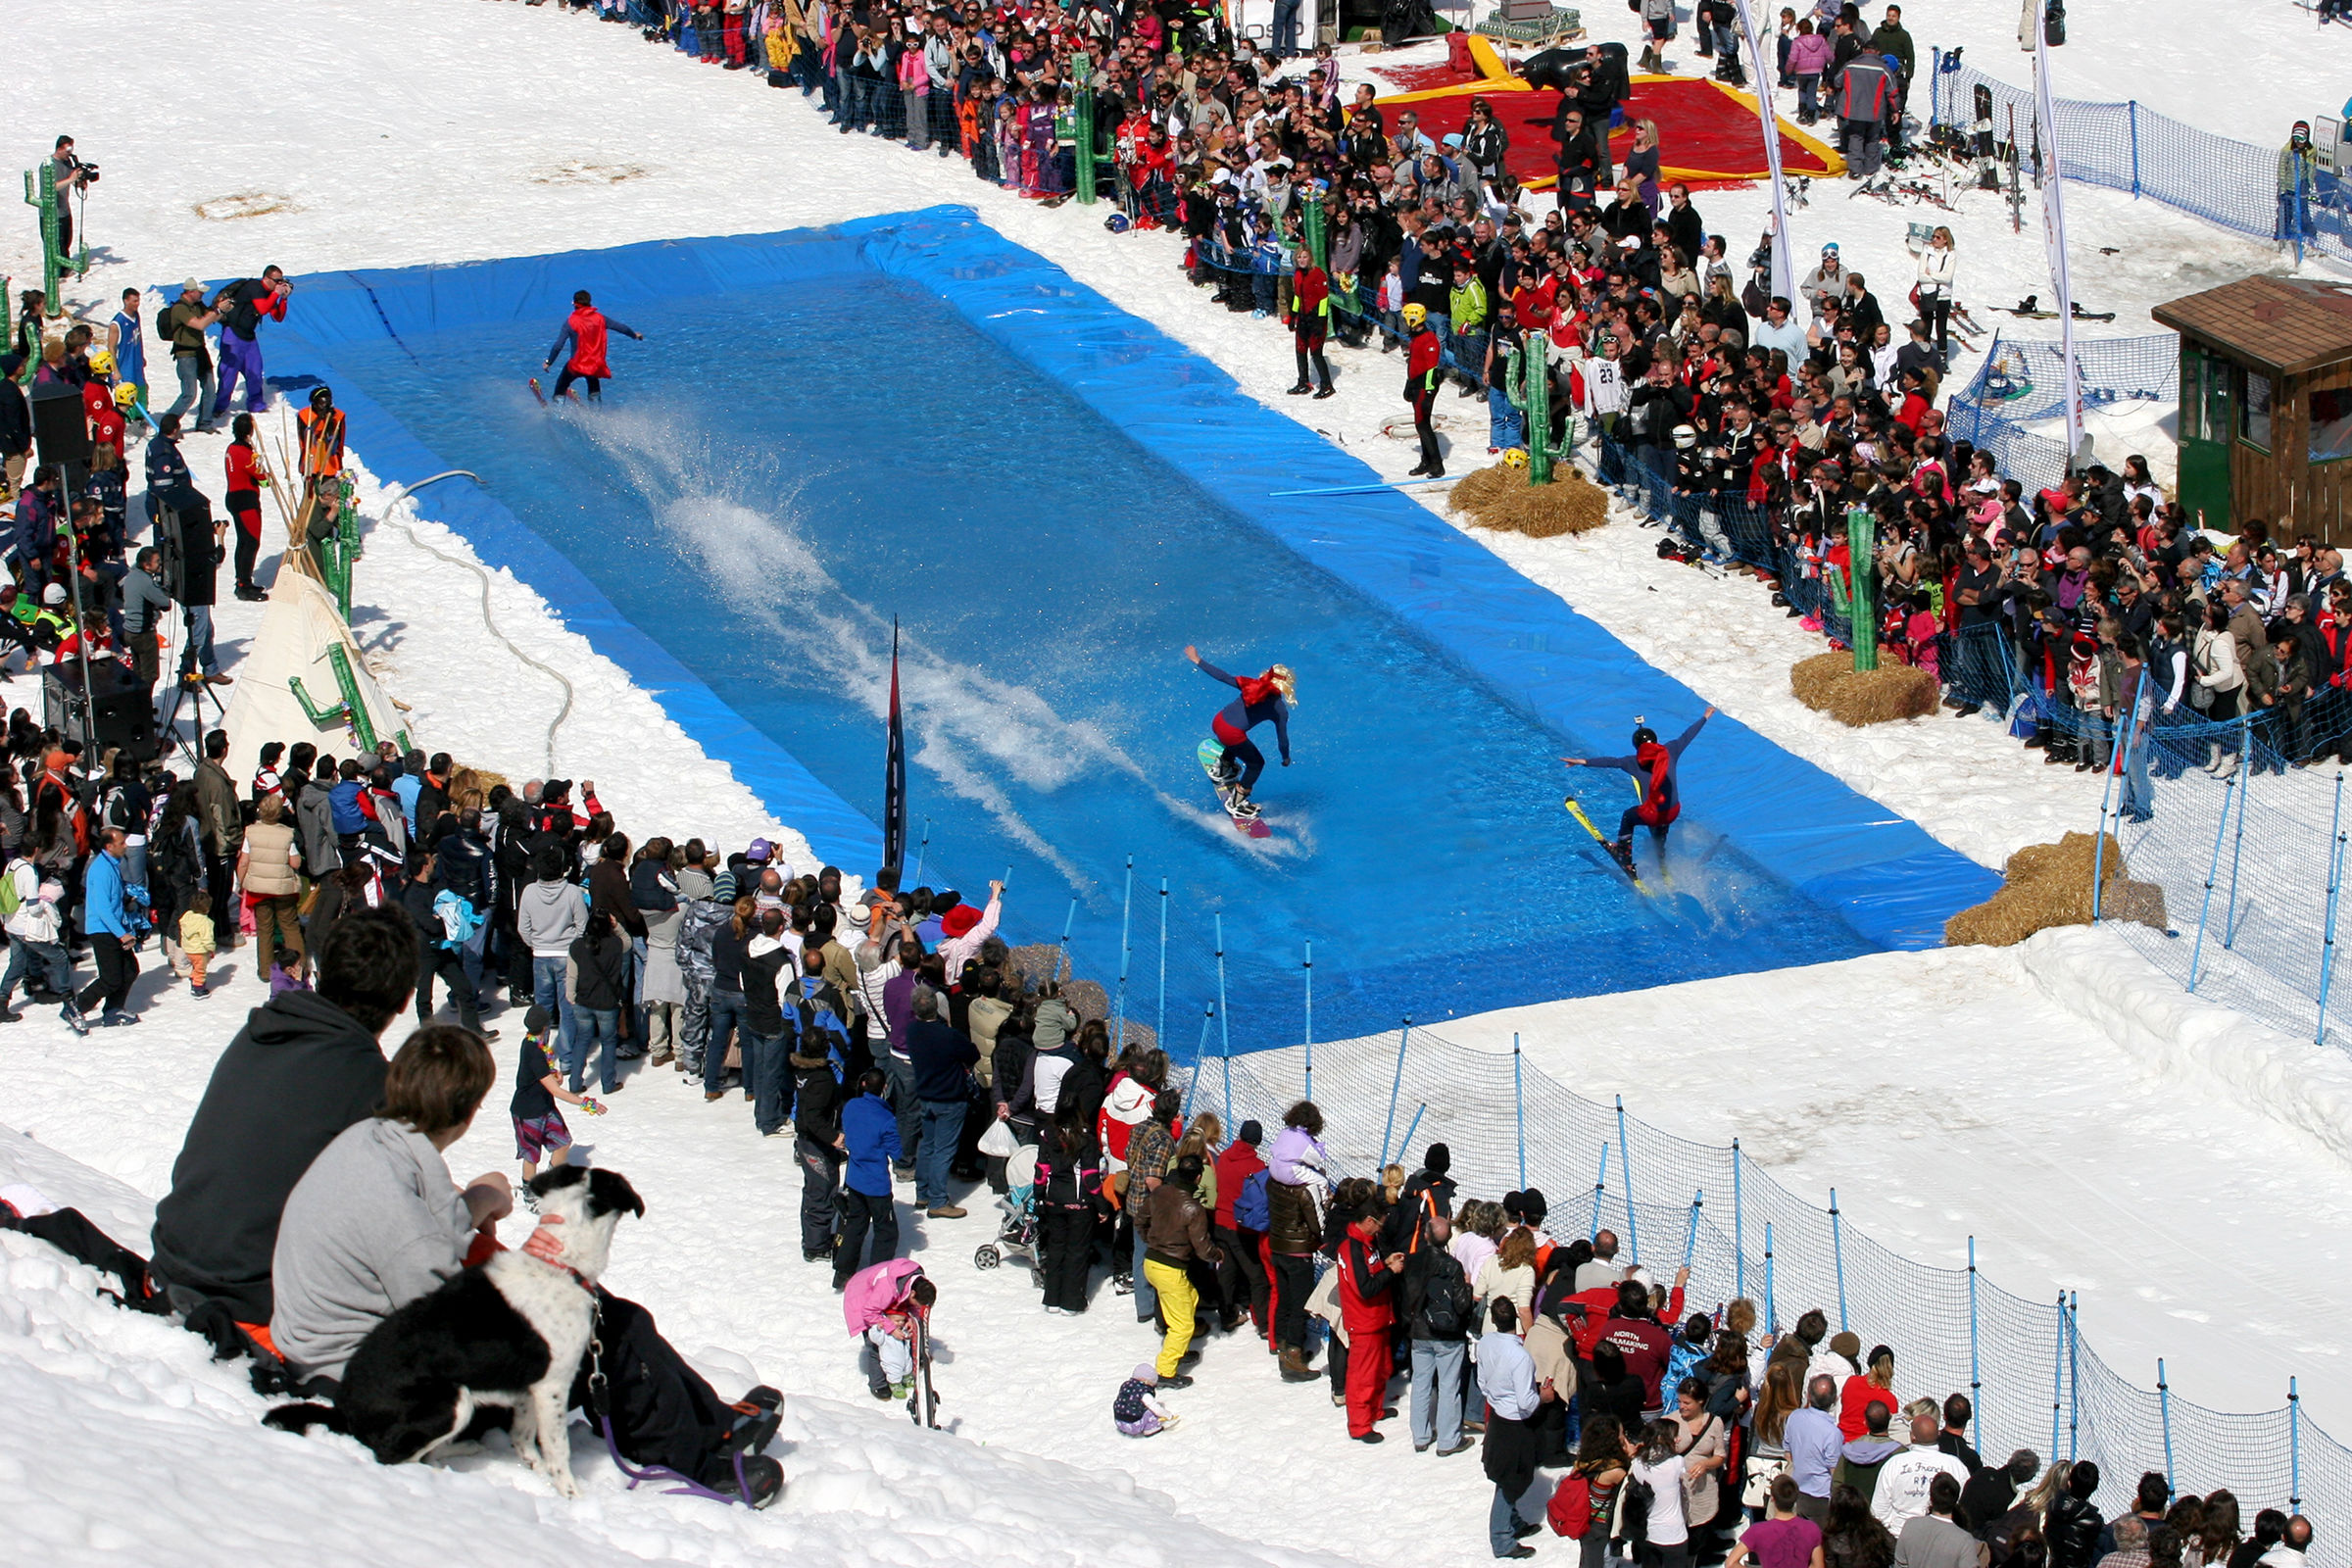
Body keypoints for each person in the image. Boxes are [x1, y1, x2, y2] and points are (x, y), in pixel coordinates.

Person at [270, 1024, 783, 1505]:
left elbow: (423, 1232)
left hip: (345, 1352)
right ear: (468, 1112)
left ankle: (708, 1421)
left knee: (601, 1311)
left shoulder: (372, 1141)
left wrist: (479, 1199)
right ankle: (694, 1457)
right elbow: (444, 1316)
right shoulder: (394, 1201)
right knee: (607, 1332)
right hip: (385, 1389)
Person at [148, 907, 418, 1335]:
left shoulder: (262, 1029)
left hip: (173, 1255)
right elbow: (403, 1233)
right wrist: (480, 1200)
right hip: (253, 1295)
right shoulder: (369, 1083)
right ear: (404, 1000)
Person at [1563, 707, 1716, 875]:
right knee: (1662, 818)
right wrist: (1705, 716)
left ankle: (1624, 857)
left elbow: (1609, 762)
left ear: (1636, 747)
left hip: (1652, 814)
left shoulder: (1632, 762)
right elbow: (1688, 735)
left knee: (1629, 817)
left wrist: (1582, 761)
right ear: (1656, 742)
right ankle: (1660, 850)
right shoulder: (1671, 750)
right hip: (1673, 812)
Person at [1184, 643, 1296, 818]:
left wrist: (1197, 660)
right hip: (1231, 734)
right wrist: (1285, 757)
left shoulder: (1251, 685)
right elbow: (1282, 739)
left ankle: (1222, 768)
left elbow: (1223, 677)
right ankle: (1236, 803)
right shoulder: (1279, 709)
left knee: (1239, 741)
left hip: (1218, 721)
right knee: (1256, 763)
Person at [1142, 1151, 1221, 1386]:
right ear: (1198, 1178)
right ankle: (1165, 1371)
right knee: (1183, 1324)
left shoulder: (1160, 1193)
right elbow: (1203, 1249)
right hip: (1170, 1268)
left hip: (1152, 1262)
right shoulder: (1194, 1208)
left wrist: (1151, 1241)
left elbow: (1140, 1219)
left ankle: (1178, 1348)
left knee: (1189, 1296)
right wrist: (1219, 1255)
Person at [1480, 1297, 1547, 1559]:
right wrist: (1543, 1396)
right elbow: (1526, 1403)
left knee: (1509, 1477)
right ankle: (1502, 1539)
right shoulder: (1520, 1357)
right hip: (1515, 1425)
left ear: (1494, 1320)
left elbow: (1483, 1382)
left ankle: (1512, 1521)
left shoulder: (1486, 1343)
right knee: (1510, 1482)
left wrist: (1498, 1397)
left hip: (1498, 1419)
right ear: (1515, 1319)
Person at [834, 1067, 904, 1288]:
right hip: (876, 1184)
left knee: (855, 1223)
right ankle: (877, 1276)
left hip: (854, 1178)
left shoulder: (851, 1107)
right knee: (886, 1230)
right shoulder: (886, 1118)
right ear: (884, 1088)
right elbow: (897, 1153)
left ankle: (843, 1272)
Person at [513, 1004, 600, 1180]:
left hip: (545, 1106)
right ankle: (531, 1195)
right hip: (528, 1112)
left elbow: (541, 1077)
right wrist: (587, 1103)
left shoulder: (534, 1043)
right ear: (545, 1027)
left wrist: (552, 1076)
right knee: (531, 1156)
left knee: (563, 1143)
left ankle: (548, 1182)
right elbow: (556, 1091)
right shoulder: (534, 1050)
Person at [210, 268, 290, 423]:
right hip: (233, 334)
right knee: (228, 374)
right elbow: (262, 308)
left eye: (282, 280)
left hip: (249, 336)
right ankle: (219, 407)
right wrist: (275, 294)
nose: (280, 284)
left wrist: (284, 299)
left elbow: (277, 317)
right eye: (277, 281)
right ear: (266, 278)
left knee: (255, 371)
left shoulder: (270, 293)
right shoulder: (254, 287)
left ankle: (256, 404)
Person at [1874, 1408, 1973, 1530]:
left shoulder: (1894, 1464)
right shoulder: (1955, 1465)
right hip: (1940, 1535)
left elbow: (1879, 1510)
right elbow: (1964, 1502)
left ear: (1912, 1436)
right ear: (1938, 1434)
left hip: (1901, 1535)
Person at [544, 289, 647, 403]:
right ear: (589, 302)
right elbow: (621, 327)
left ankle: (558, 408)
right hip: (594, 364)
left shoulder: (570, 322)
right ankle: (596, 411)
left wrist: (549, 362)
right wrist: (634, 335)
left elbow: (558, 346)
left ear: (574, 303)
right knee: (593, 384)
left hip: (576, 365)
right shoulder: (601, 318)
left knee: (561, 384)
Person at [222, 413, 271, 601]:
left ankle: (243, 580)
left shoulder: (232, 449)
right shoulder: (246, 453)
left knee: (243, 541)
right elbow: (263, 479)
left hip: (235, 497)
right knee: (250, 541)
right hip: (246, 500)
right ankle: (243, 584)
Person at [1737, 1475, 1832, 1568]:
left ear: (1773, 1498)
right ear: (1795, 1497)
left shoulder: (1757, 1530)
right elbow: (1818, 1565)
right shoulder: (1812, 1529)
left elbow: (1731, 1563)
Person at [1287, 245, 1336, 398]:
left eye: (1305, 257)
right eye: (1299, 257)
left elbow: (1323, 298)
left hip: (1316, 317)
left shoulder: (1318, 274)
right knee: (1300, 350)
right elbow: (1297, 296)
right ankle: (1303, 382)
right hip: (1302, 317)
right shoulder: (1297, 275)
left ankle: (1327, 385)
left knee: (1316, 352)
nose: (1302, 260)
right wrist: (1293, 315)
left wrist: (1321, 321)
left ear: (1310, 258)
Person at [1404, 301, 1446, 477]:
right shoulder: (1415, 336)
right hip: (1416, 383)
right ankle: (1426, 460)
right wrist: (1409, 384)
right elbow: (1413, 362)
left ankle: (1436, 464)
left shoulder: (1429, 340)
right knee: (1420, 424)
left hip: (1425, 385)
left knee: (1423, 424)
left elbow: (1431, 368)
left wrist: (1428, 393)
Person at [1112, 1363, 1182, 1437]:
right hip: (1133, 1426)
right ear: (1147, 1381)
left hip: (1118, 1422)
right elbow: (1156, 1409)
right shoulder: (1143, 1392)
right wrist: (1168, 1415)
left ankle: (1125, 1426)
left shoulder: (1126, 1385)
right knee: (1151, 1411)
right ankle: (1150, 1429)